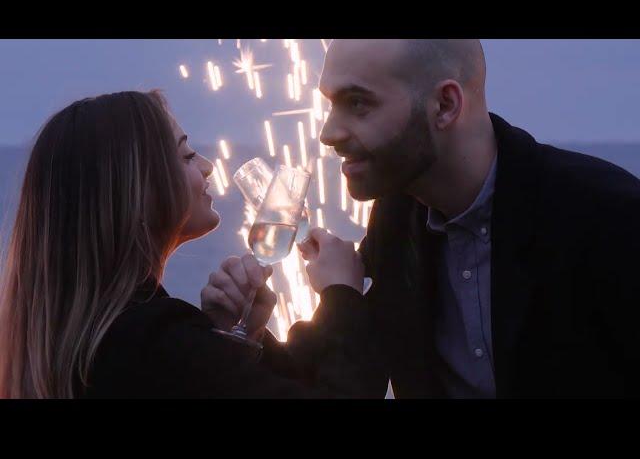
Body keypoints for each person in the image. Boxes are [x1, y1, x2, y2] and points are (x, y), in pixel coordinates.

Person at [203, 40, 640, 398]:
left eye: (358, 104)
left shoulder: (604, 215)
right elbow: (345, 374)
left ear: (446, 105)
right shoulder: (394, 220)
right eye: (331, 105)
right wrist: (249, 335)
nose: (327, 133)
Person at [0, 90, 377, 398]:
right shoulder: (152, 344)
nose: (208, 166)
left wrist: (235, 337)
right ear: (137, 193)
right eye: (185, 154)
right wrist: (341, 294)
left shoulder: (98, 338)